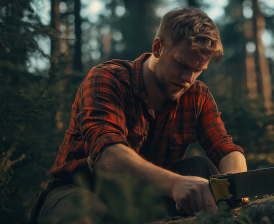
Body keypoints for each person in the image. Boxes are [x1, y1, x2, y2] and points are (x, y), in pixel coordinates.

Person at [30, 6, 247, 224]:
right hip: (80, 189)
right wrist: (175, 184)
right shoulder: (108, 79)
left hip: (149, 198)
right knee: (84, 215)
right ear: (158, 47)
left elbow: (224, 147)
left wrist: (238, 182)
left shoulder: (198, 96)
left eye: (198, 69)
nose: (188, 79)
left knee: (203, 168)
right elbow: (106, 156)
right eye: (181, 64)